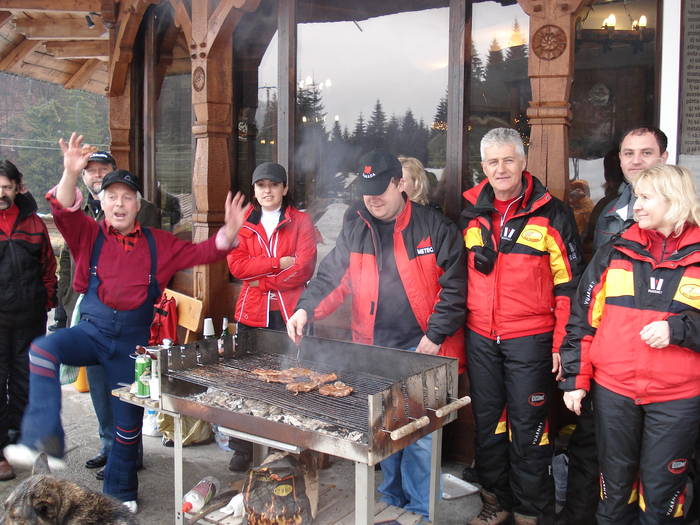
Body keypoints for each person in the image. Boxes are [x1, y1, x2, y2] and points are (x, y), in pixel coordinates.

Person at [4, 133, 249, 513]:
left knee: (127, 424)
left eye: (127, 197)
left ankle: (123, 492)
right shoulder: (88, 234)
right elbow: (65, 207)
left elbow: (203, 250)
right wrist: (70, 172)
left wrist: (229, 233)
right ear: (102, 202)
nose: (119, 203)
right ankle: (46, 436)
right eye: (112, 196)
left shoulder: (159, 243)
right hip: (91, 332)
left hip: (133, 345)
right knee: (43, 349)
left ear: (138, 205)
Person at [287, 151, 466, 518]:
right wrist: (305, 308)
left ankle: (419, 513)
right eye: (366, 191)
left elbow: (456, 289)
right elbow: (330, 278)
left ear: (400, 184)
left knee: (418, 439)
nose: (372, 198)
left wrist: (434, 334)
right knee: (383, 434)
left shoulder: (434, 227)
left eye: (380, 189)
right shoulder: (357, 227)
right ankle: (391, 506)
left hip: (422, 350)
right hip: (373, 349)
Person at [560, 164, 700, 525]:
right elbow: (583, 320)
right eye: (636, 196)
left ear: (675, 200)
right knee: (613, 492)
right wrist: (576, 380)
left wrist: (679, 330)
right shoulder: (614, 252)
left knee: (661, 496)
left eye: (646, 197)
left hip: (677, 399)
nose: (636, 206)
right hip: (615, 392)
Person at [460, 128, 583, 525]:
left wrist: (564, 344)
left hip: (531, 339)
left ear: (523, 162)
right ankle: (497, 503)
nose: (501, 169)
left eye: (508, 159)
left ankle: (532, 513)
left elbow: (569, 286)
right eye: (493, 162)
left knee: (530, 429)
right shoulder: (469, 212)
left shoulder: (553, 213)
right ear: (483, 167)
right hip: (480, 337)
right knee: (488, 425)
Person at [56, 150, 160, 481]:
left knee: (126, 388)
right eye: (91, 171)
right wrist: (64, 300)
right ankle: (108, 445)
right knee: (99, 386)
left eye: (103, 169)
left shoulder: (144, 211)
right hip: (89, 313)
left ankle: (128, 454)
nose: (97, 174)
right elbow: (65, 258)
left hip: (128, 318)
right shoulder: (83, 209)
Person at [225, 162, 317, 471]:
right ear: (254, 190)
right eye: (261, 185)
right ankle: (243, 447)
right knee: (247, 380)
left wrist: (260, 276)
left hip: (291, 314)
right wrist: (278, 262)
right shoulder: (243, 222)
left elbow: (303, 268)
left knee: (292, 379)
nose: (267, 190)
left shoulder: (301, 221)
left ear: (285, 188)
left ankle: (290, 446)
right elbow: (236, 267)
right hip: (252, 312)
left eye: (274, 185)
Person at [0, 160, 57, 481]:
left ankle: (17, 438)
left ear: (18, 187)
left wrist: (46, 301)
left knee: (25, 381)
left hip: (30, 319)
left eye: (7, 187)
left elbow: (48, 268)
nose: (2, 193)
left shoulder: (34, 223)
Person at [593, 126, 668, 250]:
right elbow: (599, 267)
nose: (636, 161)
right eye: (629, 153)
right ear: (621, 158)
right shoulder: (609, 212)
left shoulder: (685, 211)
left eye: (646, 153)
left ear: (663, 158)